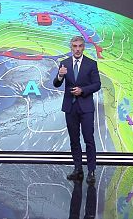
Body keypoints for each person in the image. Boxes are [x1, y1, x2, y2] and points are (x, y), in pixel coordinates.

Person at [53, 36, 101, 184]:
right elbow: (56, 84)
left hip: (86, 108)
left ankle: (91, 171)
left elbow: (97, 85)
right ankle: (78, 169)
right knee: (74, 140)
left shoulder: (91, 64)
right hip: (70, 107)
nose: (77, 49)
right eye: (75, 46)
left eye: (80, 46)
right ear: (71, 47)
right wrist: (60, 75)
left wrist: (83, 90)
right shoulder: (65, 64)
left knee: (89, 139)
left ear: (84, 47)